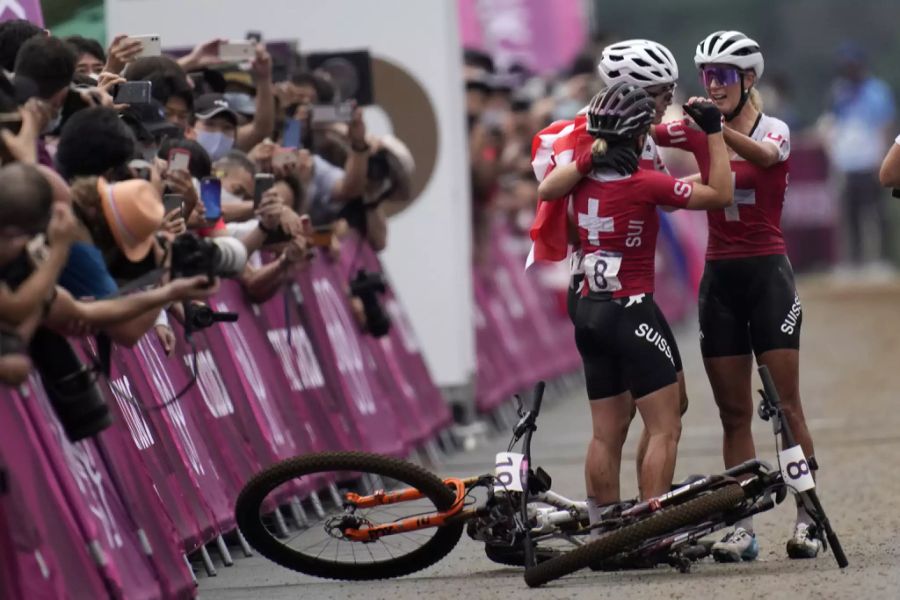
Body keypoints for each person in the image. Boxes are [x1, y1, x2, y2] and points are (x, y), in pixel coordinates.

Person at [654, 30, 819, 561]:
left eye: (722, 76)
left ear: (748, 80)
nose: (713, 85)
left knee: (786, 405)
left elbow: (767, 158)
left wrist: (716, 130)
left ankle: (808, 517)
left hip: (768, 276)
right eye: (706, 76)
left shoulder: (775, 129)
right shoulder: (703, 127)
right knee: (733, 414)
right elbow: (649, 130)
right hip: (720, 279)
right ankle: (742, 526)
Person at [538, 83, 732, 531]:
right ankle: (652, 530)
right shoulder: (644, 183)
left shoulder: (580, 178)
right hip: (631, 310)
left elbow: (549, 190)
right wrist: (715, 135)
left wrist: (587, 159)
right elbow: (721, 193)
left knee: (605, 434)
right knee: (664, 426)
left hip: (588, 310)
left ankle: (605, 529)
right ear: (637, 136)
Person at [535, 39, 687, 498]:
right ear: (636, 92)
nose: (668, 102)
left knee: (634, 416)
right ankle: (649, 519)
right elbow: (557, 206)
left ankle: (609, 527)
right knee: (656, 419)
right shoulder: (593, 134)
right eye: (662, 92)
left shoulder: (621, 132)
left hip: (594, 293)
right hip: (619, 294)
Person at [821, 43, 896, 271]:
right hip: (847, 162)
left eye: (853, 65)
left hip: (871, 160)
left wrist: (883, 158)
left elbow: (886, 125)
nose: (849, 70)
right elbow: (832, 124)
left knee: (876, 212)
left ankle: (883, 259)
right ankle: (854, 262)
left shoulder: (877, 91)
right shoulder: (839, 92)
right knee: (850, 214)